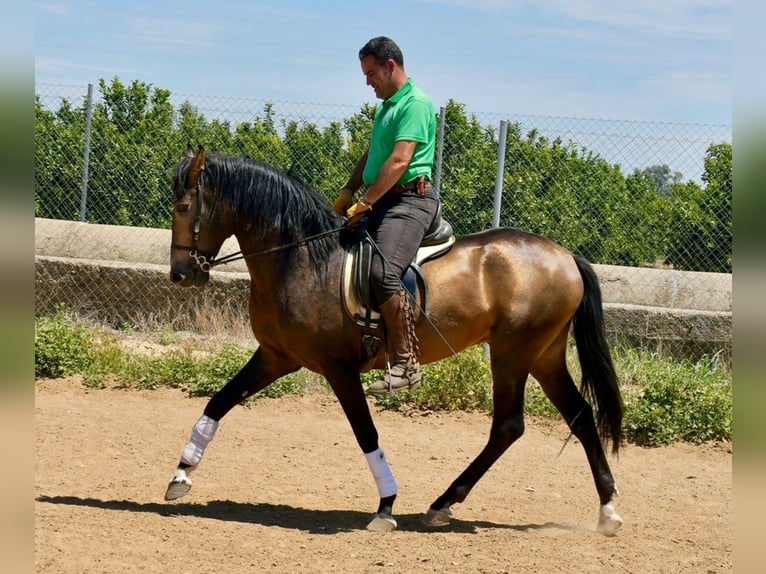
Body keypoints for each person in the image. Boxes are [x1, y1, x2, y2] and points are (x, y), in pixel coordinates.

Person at [334, 36, 439, 395]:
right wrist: (348, 190)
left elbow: (399, 161)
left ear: (390, 66)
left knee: (384, 272)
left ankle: (407, 364)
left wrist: (365, 202)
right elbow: (374, 154)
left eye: (370, 73)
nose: (368, 82)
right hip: (382, 200)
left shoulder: (416, 104)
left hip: (410, 202)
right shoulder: (387, 107)